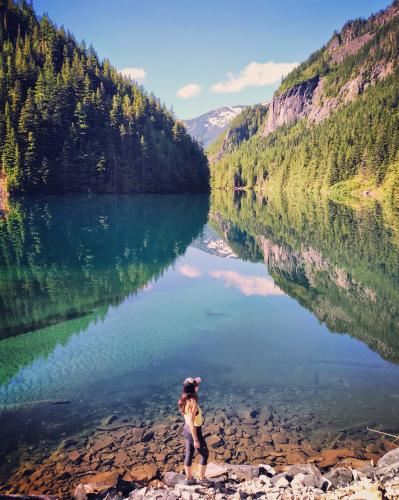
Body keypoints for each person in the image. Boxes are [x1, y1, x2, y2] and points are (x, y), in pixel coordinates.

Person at [178, 376, 209, 485]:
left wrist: (193, 381)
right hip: (193, 431)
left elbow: (199, 378)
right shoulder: (192, 404)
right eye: (196, 386)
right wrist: (196, 439)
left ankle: (189, 479)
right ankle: (201, 479)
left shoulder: (183, 398)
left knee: (189, 453)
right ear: (194, 389)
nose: (198, 386)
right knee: (205, 455)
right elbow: (192, 423)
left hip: (186, 430)